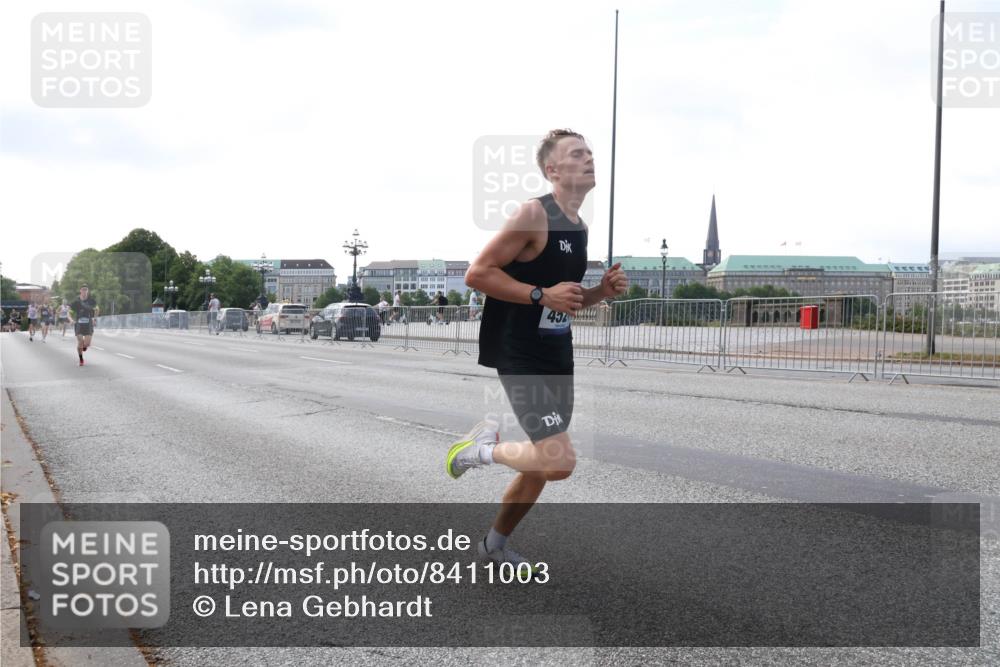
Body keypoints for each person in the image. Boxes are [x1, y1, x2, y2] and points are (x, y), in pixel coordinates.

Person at [445, 129, 627, 569]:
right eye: (576, 154)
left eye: (590, 152)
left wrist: (599, 291)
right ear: (552, 170)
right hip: (519, 351)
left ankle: (493, 546)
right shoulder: (533, 214)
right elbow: (478, 273)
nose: (588, 159)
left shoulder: (579, 227)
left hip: (555, 353)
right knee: (558, 461)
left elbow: (566, 297)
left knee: (540, 464)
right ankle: (477, 449)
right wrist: (538, 296)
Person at [70, 285, 99, 366]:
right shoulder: (76, 302)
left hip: (88, 323)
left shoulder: (91, 301)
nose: (84, 291)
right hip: (79, 323)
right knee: (80, 342)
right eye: (83, 289)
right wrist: (71, 320)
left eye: (86, 290)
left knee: (87, 344)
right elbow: (69, 312)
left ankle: (84, 346)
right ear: (80, 291)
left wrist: (94, 319)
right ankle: (81, 359)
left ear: (88, 291)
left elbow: (97, 309)